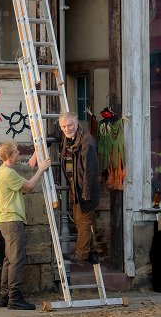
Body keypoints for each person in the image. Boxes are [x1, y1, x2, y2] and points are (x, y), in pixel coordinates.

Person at [0, 142, 51, 310]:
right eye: (16, 152)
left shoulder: (3, 171)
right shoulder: (8, 173)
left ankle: (5, 296)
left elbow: (25, 186)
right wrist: (41, 169)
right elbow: (29, 186)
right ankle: (14, 298)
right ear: (10, 156)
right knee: (17, 260)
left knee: (8, 259)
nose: (19, 153)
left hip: (6, 220)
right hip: (13, 220)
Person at [59, 111, 100, 265]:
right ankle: (93, 251)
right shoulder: (68, 137)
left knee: (83, 222)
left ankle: (81, 255)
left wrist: (86, 193)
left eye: (70, 125)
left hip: (84, 189)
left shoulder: (87, 142)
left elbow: (90, 171)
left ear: (76, 124)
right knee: (80, 220)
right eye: (64, 126)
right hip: (75, 186)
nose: (67, 128)